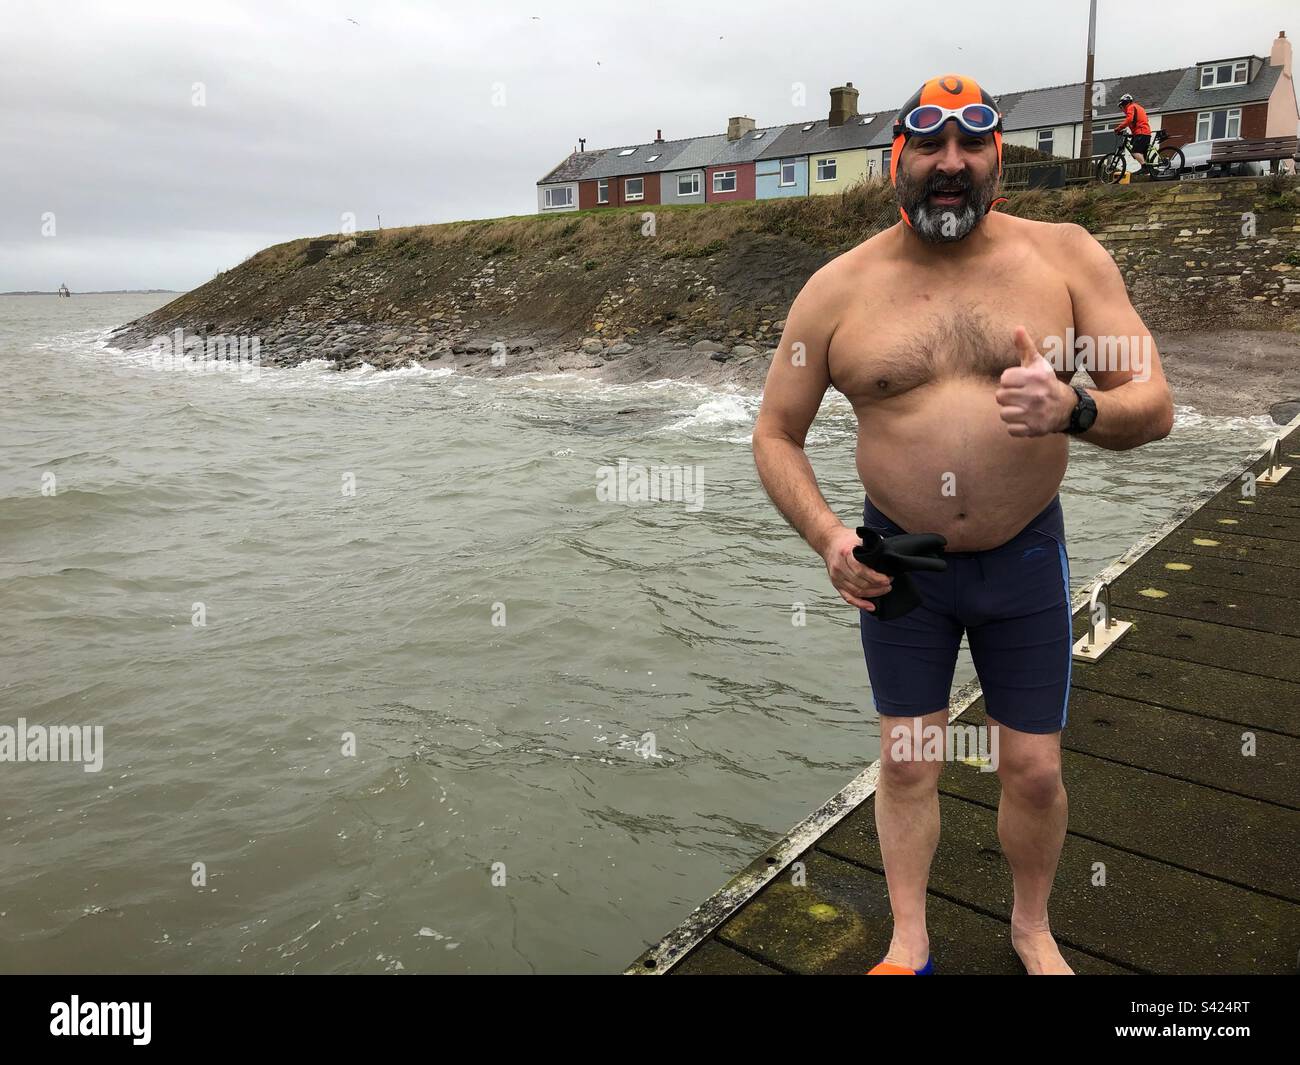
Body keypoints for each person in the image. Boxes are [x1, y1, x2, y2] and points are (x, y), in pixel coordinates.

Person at [750, 73, 1174, 975]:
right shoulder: (836, 289)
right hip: (899, 558)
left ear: (996, 160)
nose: (951, 164)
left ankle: (1031, 927)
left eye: (971, 145)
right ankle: (911, 941)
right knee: (907, 763)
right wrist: (830, 537)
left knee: (1033, 768)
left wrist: (1077, 410)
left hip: (1024, 554)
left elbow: (1155, 403)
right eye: (930, 146)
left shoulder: (1066, 258)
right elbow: (775, 432)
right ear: (897, 160)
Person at [1115, 92, 1153, 174]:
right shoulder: (1139, 108)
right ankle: (1150, 170)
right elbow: (1140, 121)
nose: (1122, 109)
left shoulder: (1131, 107)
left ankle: (1144, 167)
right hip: (1145, 133)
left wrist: (1119, 128)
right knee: (1141, 154)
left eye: (1121, 106)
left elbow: (1129, 120)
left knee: (1135, 151)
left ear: (1125, 103)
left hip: (1141, 132)